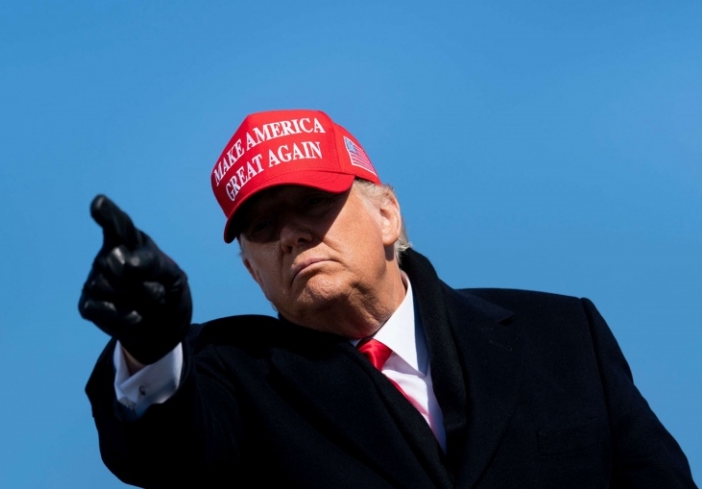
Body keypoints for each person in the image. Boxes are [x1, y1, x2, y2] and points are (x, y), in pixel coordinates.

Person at [79, 110, 696, 488]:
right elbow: (164, 455)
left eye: (314, 203)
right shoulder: (226, 376)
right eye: (263, 227)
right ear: (252, 270)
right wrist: (149, 346)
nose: (291, 234)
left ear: (386, 215)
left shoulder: (561, 336)